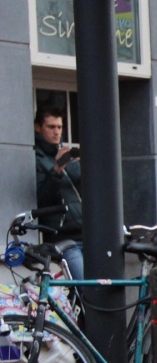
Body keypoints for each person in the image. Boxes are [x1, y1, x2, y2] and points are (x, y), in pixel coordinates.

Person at [32, 106, 85, 279]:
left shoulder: (64, 155)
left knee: (106, 285)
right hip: (63, 238)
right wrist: (56, 169)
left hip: (86, 233)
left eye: (60, 127)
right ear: (38, 128)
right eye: (51, 127)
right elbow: (42, 198)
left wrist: (83, 165)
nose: (57, 132)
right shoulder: (36, 158)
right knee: (85, 287)